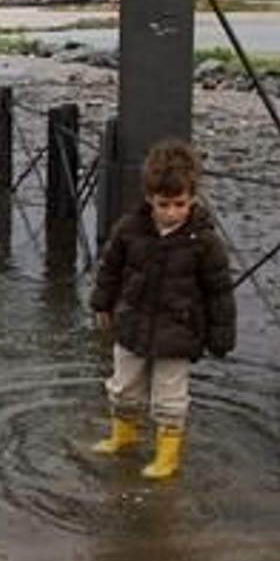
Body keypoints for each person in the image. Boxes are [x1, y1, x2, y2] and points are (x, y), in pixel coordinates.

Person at [87, 139, 235, 480]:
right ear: (149, 198)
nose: (171, 212)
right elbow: (110, 268)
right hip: (133, 321)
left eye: (179, 204)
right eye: (163, 204)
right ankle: (122, 437)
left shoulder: (204, 241)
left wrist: (220, 335)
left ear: (193, 197)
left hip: (179, 329)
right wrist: (102, 303)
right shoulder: (129, 228)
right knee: (124, 386)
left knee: (170, 397)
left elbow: (219, 291)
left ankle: (167, 456)